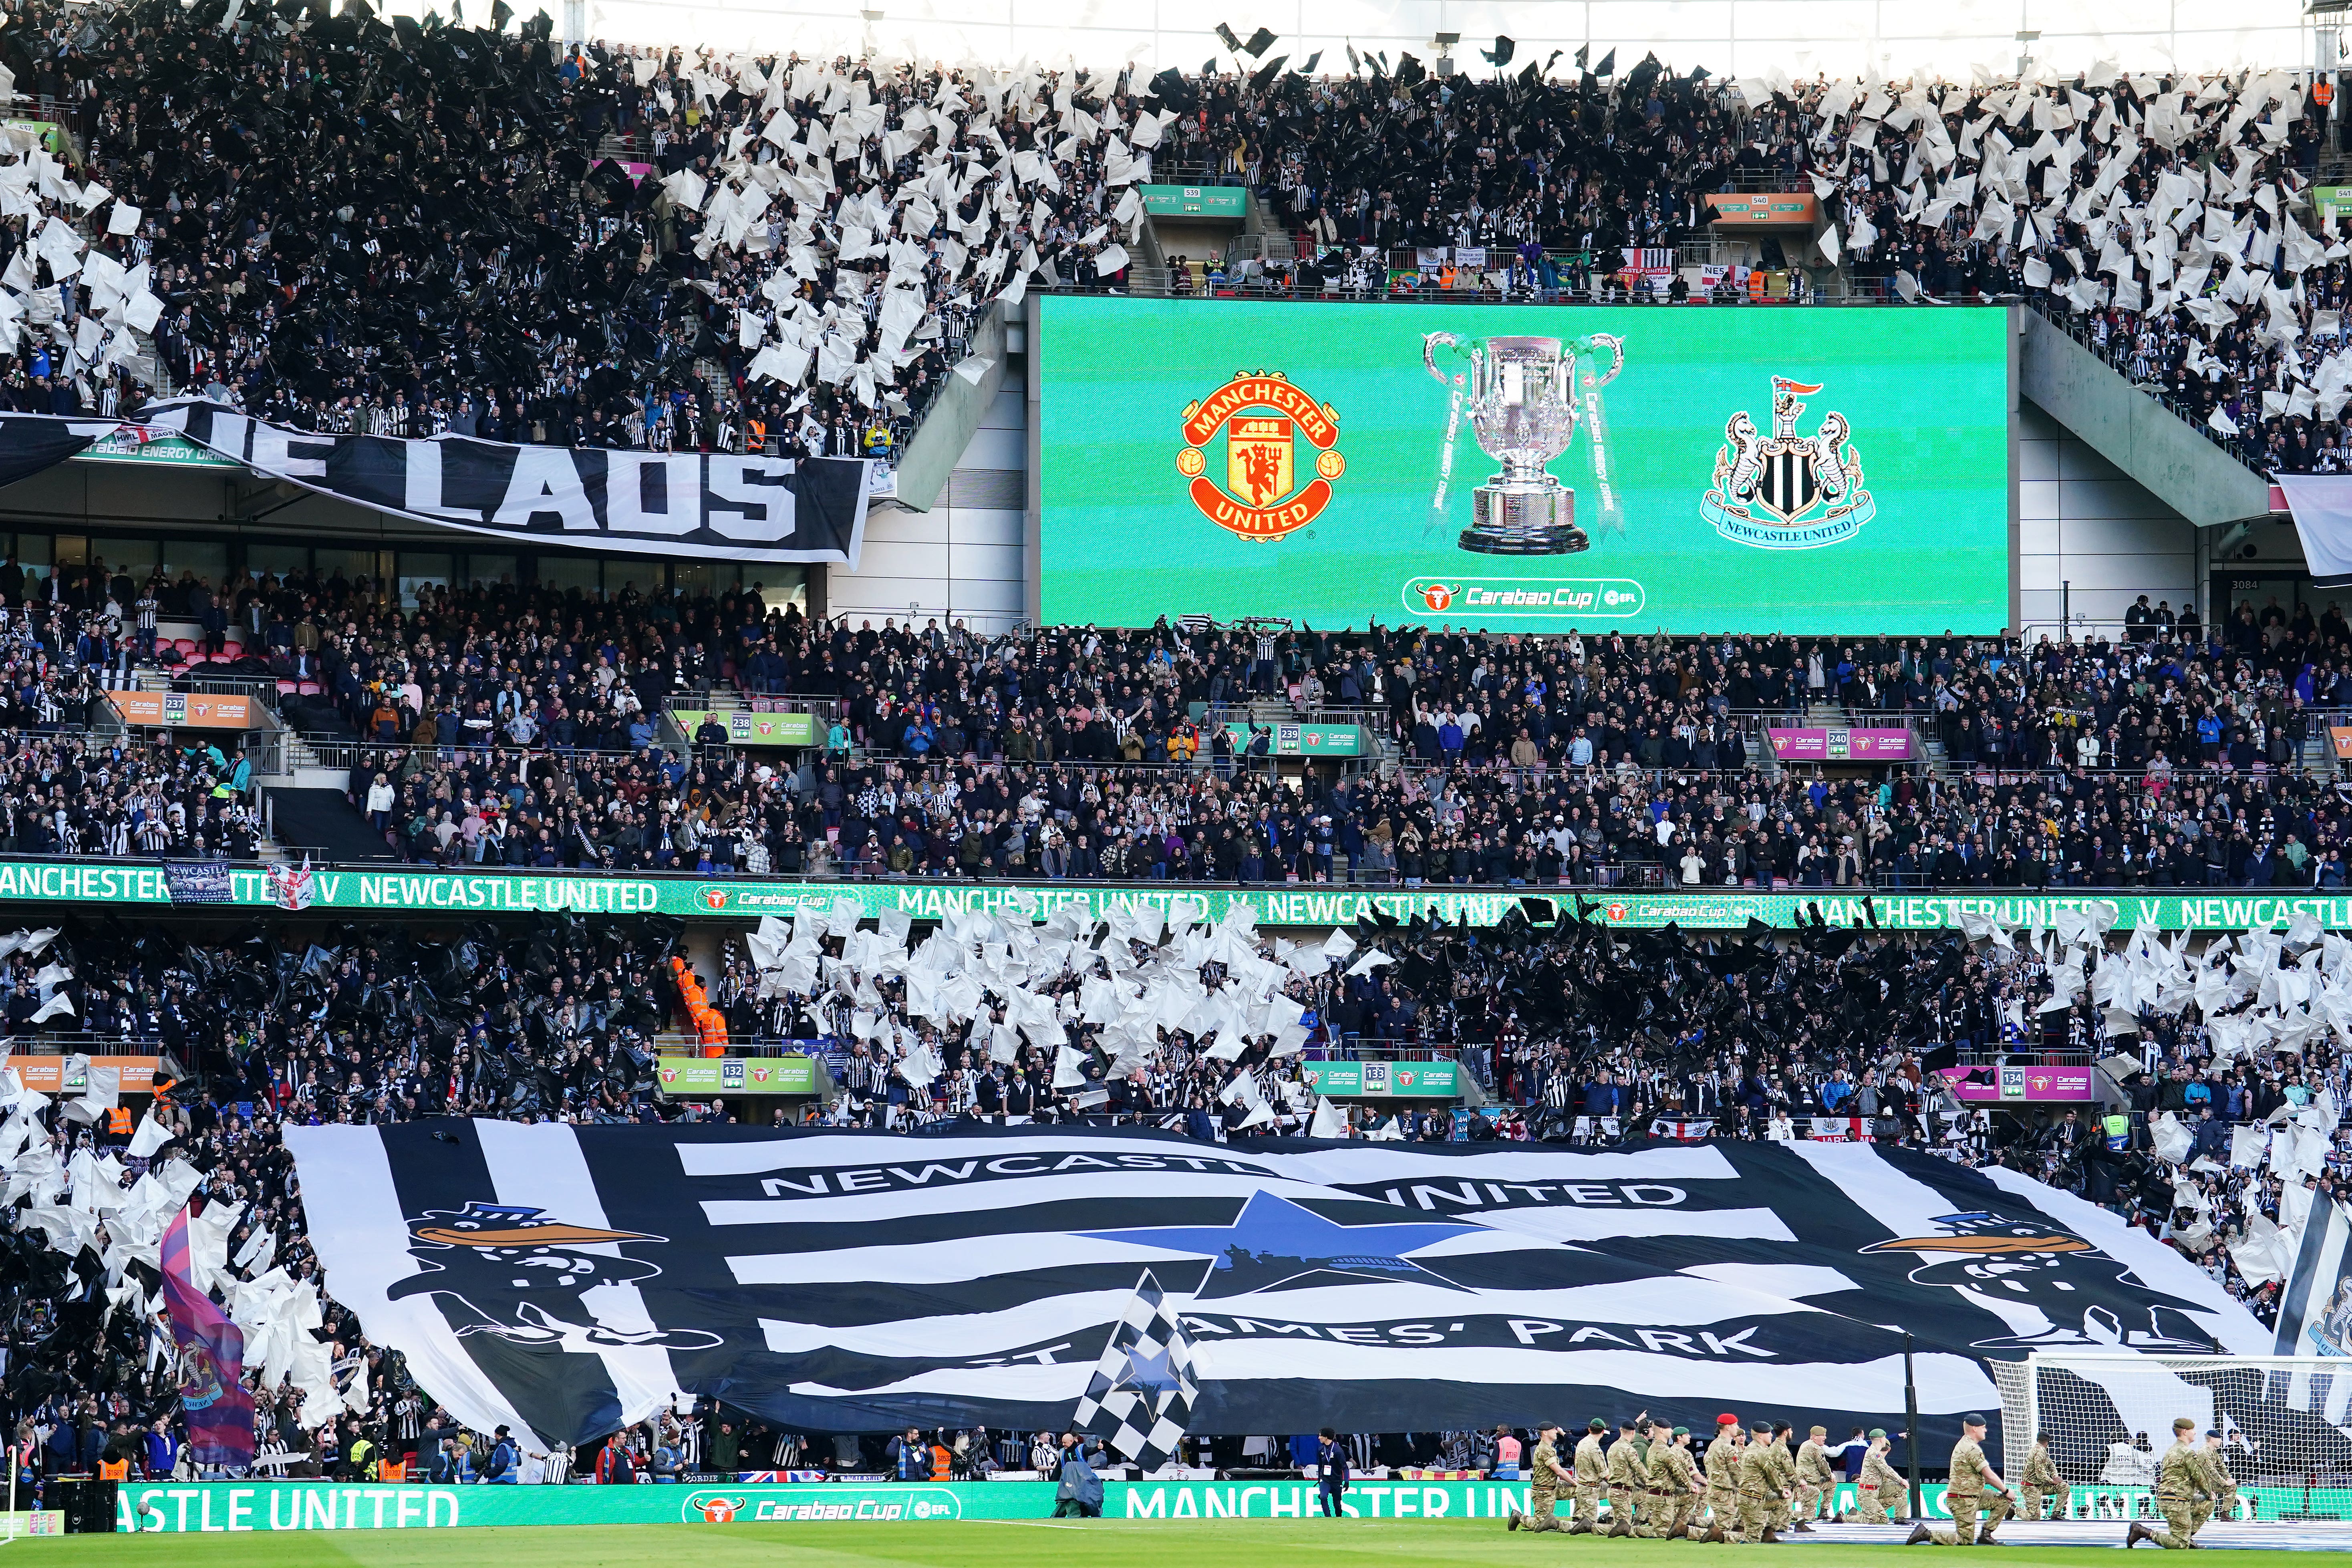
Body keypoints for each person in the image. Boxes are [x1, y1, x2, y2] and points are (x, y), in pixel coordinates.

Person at [1908, 1413, 2012, 1546]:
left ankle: (1986, 1535)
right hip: (1963, 1499)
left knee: (2003, 1501)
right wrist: (2006, 1490)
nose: (1986, 1430)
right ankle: (1928, 1534)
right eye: (1983, 1428)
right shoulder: (1971, 1448)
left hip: (1973, 1495)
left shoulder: (1966, 1444)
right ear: (1975, 1429)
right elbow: (1989, 1476)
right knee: (1965, 1541)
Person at [2125, 1417, 2210, 1549]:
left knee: (2208, 1502)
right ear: (2185, 1432)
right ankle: (2144, 1532)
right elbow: (2200, 1476)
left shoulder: (2171, 1451)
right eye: (2192, 1430)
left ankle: (2185, 1536)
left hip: (2170, 1498)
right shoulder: (2187, 1453)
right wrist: (2210, 1493)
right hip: (2177, 1500)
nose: (2195, 1433)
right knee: (2180, 1545)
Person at [1508, 1421, 1571, 1532]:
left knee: (1581, 1489)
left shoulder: (1549, 1448)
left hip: (1554, 1488)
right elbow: (1559, 1471)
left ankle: (1580, 1519)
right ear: (1545, 1433)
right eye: (1553, 1430)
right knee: (1541, 1524)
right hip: (1544, 1491)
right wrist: (1573, 1481)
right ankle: (1520, 1518)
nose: (1556, 1432)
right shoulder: (1544, 1449)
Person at [1651, 1421, 1705, 1542]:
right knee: (1699, 1492)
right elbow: (1693, 1475)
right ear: (1680, 1438)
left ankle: (1678, 1524)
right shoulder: (1683, 1453)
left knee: (1662, 1528)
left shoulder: (1667, 1449)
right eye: (1686, 1435)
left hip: (1665, 1491)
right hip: (1668, 1492)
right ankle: (1689, 1521)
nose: (1690, 1437)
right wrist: (1701, 1483)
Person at [1736, 1421, 1788, 1545]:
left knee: (1783, 1502)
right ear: (1760, 1436)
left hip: (1752, 1497)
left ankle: (1767, 1534)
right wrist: (1781, 1491)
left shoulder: (1752, 1448)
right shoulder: (1761, 1452)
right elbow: (1772, 1475)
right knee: (1752, 1538)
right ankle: (1720, 1535)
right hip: (1753, 1499)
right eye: (1768, 1433)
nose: (1771, 1435)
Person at [1701, 1413, 1744, 1543]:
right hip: (1724, 1492)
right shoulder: (1728, 1448)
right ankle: (1686, 1530)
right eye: (1735, 1425)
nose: (1737, 1428)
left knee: (1722, 1525)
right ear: (1728, 1427)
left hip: (1715, 1489)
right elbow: (1737, 1473)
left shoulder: (1714, 1444)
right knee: (1723, 1531)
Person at [2188, 1431, 2237, 1540]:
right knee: (2199, 1503)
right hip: (2198, 1484)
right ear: (2212, 1439)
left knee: (2232, 1487)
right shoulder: (2204, 1453)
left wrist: (2228, 1478)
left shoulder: (2213, 1451)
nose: (2221, 1441)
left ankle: (2225, 1514)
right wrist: (2225, 1483)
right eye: (2219, 1439)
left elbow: (2221, 1465)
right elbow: (2211, 1471)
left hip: (2208, 1483)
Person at [1605, 1416, 1645, 1537]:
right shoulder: (1629, 1450)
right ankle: (1591, 1527)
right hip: (1623, 1491)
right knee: (1624, 1527)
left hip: (1613, 1489)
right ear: (1633, 1433)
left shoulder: (1613, 1447)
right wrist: (1652, 1483)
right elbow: (1640, 1471)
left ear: (1621, 1430)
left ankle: (1593, 1526)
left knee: (1619, 1525)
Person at [1858, 1430, 1910, 1524]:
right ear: (1882, 1440)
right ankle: (1845, 1518)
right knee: (1871, 1520)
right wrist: (1901, 1480)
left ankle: (1900, 1518)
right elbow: (1886, 1470)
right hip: (1868, 1493)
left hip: (1876, 1490)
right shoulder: (1874, 1453)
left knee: (1901, 1489)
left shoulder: (1874, 1452)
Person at [1792, 1424, 1836, 1531]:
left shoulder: (1806, 1444)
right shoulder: (1815, 1447)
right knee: (1809, 1516)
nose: (1825, 1438)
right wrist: (1830, 1475)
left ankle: (1824, 1512)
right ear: (1814, 1436)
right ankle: (1791, 1514)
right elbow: (1823, 1466)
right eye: (1822, 1435)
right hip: (1807, 1483)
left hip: (1810, 1481)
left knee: (1831, 1484)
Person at [2018, 1431, 2068, 1521]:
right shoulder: (2039, 1453)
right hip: (2031, 1488)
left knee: (2064, 1487)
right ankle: (2014, 1509)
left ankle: (2056, 1514)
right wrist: (2053, 1481)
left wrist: (2055, 1476)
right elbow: (2040, 1475)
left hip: (2041, 1486)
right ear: (2047, 1441)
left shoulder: (2042, 1451)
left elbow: (2051, 1465)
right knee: (2033, 1518)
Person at [1571, 1417, 1609, 1534]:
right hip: (1590, 1488)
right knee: (1591, 1525)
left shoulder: (1582, 1443)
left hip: (1582, 1485)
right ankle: (1557, 1524)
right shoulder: (1594, 1448)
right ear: (1603, 1432)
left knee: (1580, 1520)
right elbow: (1604, 1473)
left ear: (1589, 1430)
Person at [1052, 1434, 1103, 1518]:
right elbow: (1058, 1468)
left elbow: (1090, 1451)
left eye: (1065, 1443)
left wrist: (1098, 1448)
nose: (1063, 1445)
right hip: (1067, 1483)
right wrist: (1053, 1481)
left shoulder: (1081, 1448)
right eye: (1063, 1443)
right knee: (1067, 1500)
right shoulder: (1062, 1452)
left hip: (1082, 1483)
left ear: (1071, 1441)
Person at [1315, 1427, 1349, 1518]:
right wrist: (1319, 1479)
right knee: (1323, 1497)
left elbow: (1345, 1467)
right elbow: (1320, 1466)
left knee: (1337, 1504)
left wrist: (1346, 1481)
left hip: (1336, 1480)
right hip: (1325, 1479)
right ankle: (1328, 1518)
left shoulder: (1338, 1451)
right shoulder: (1321, 1450)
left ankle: (1339, 1518)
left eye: (1321, 1436)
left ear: (1326, 1437)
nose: (1319, 1438)